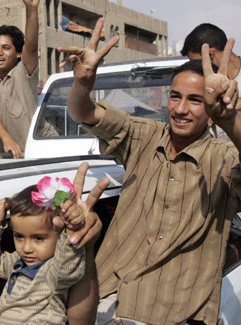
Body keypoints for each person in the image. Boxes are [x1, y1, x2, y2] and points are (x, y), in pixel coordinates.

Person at [59, 17, 241, 324]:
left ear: (209, 109)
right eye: (175, 96)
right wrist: (83, 84)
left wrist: (229, 120)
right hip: (106, 303)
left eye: (196, 100)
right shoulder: (143, 134)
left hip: (176, 313)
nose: (181, 109)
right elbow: (84, 112)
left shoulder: (223, 158)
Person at [0, 182, 88, 324]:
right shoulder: (17, 264)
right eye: (19, 236)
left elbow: (66, 272)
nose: (27, 248)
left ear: (59, 234)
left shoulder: (53, 271)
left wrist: (70, 232)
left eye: (38, 238)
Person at [0, 0, 40, 159]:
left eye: (6, 48)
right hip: (9, 154)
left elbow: (32, 46)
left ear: (18, 53)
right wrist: (7, 140)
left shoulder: (24, 71)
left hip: (39, 152)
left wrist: (31, 9)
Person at [181, 23, 241, 110]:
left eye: (197, 62)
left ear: (209, 55)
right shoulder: (205, 84)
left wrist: (231, 104)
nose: (196, 68)